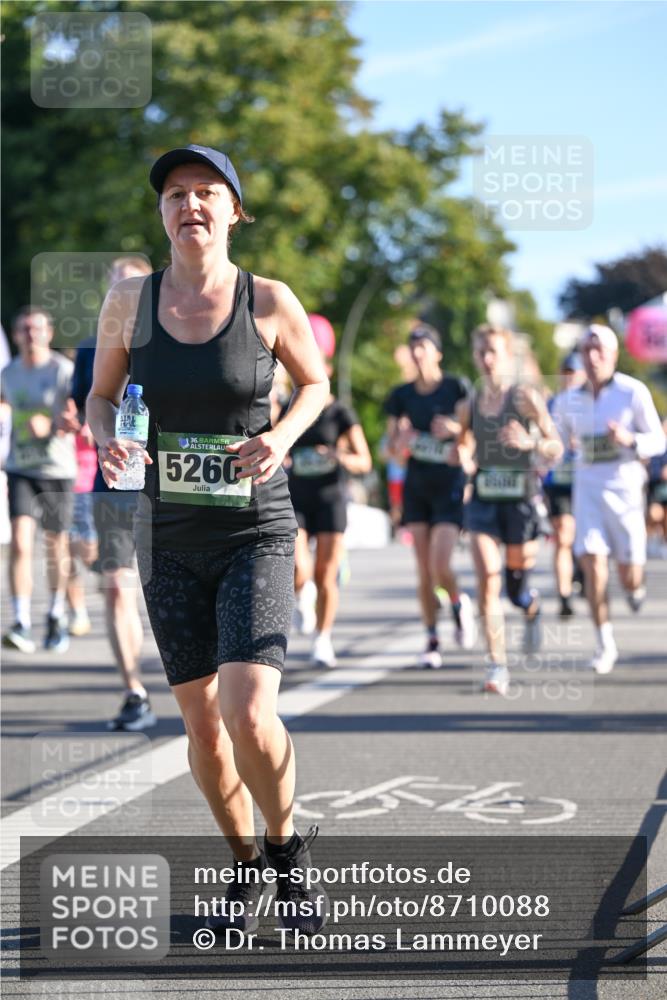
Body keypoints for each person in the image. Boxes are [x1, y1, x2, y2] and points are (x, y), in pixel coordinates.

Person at [87, 144, 330, 934]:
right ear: (161, 214)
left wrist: (284, 435)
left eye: (206, 192)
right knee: (200, 725)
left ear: (233, 211)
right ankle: (243, 864)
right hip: (166, 533)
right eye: (175, 194)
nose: (189, 204)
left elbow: (317, 383)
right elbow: (100, 396)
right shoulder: (129, 299)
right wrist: (109, 440)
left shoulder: (268, 300)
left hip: (254, 528)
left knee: (248, 709)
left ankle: (287, 852)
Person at [71, 255, 157, 731]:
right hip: (115, 483)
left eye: (130, 288)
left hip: (169, 485)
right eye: (113, 290)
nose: (120, 298)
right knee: (118, 587)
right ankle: (134, 691)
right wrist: (90, 429)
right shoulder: (89, 350)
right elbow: (88, 404)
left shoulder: (178, 340)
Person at [552, 325, 666, 673]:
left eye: (600, 349)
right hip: (588, 495)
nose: (593, 356)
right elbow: (553, 444)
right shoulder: (568, 400)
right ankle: (605, 643)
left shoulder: (633, 392)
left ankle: (636, 586)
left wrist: (630, 439)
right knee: (593, 568)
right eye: (587, 349)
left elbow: (659, 441)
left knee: (629, 574)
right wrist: (547, 450)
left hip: (627, 494)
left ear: (613, 355)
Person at [457, 324, 563, 695]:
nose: (486, 359)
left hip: (520, 501)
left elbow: (556, 446)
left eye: (493, 353)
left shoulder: (525, 398)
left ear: (506, 356)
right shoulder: (469, 403)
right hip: (484, 500)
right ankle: (497, 664)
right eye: (481, 352)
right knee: (488, 576)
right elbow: (464, 443)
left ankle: (529, 605)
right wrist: (464, 456)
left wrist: (529, 440)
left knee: (515, 584)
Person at [385, 324, 476, 669]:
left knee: (441, 564)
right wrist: (401, 442)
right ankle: (432, 638)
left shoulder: (457, 388)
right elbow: (392, 453)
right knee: (423, 570)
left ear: (437, 352)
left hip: (450, 484)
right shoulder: (401, 396)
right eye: (413, 347)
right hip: (417, 484)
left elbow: (477, 438)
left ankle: (457, 601)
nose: (417, 352)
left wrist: (456, 432)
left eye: (423, 346)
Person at [287, 314, 372, 667]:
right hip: (296, 496)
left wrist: (338, 455)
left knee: (325, 574)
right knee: (298, 566)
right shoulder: (291, 407)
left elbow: (364, 461)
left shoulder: (340, 412)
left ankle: (323, 638)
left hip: (331, 499)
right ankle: (301, 594)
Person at [2, 307, 78, 653]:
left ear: (49, 333)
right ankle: (20, 621)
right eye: (24, 330)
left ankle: (56, 613)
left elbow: (78, 418)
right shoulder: (9, 372)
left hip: (57, 469)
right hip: (20, 466)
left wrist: (52, 425)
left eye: (37, 329)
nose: (31, 335)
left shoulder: (63, 371)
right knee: (19, 541)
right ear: (17, 335)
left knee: (55, 545)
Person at [542, 352, 587, 617]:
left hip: (586, 480)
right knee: (563, 535)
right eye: (566, 373)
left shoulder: (592, 403)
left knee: (580, 539)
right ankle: (564, 596)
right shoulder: (551, 404)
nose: (570, 378)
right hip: (558, 480)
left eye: (575, 373)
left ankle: (580, 571)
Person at [646, 418, 667, 558]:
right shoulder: (656, 446)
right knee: (654, 514)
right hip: (656, 489)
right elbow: (651, 470)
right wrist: (660, 471)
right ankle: (641, 543)